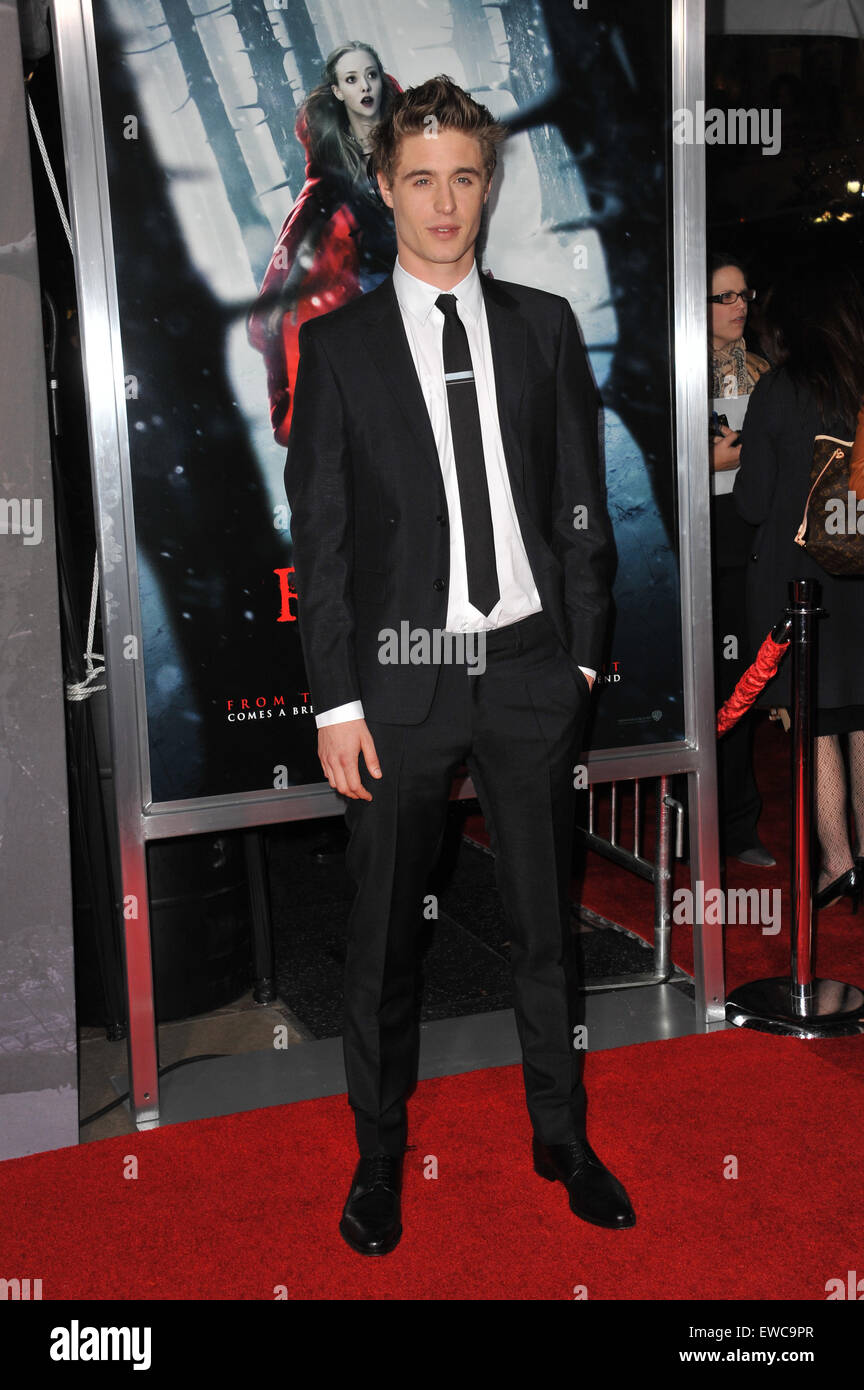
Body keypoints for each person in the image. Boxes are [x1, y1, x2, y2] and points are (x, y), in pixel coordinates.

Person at [284, 76, 635, 1255]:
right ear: (384, 190)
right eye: (420, 179)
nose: (444, 202)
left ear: (490, 185)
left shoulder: (540, 327)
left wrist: (583, 658)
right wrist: (335, 699)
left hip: (534, 668)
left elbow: (582, 506)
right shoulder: (336, 350)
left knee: (546, 926)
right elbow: (321, 541)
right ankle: (378, 1158)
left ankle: (562, 1135)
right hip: (397, 678)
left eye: (465, 177)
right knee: (386, 935)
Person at [734, 261, 864, 910]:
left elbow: (753, 502)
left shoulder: (780, 389)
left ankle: (837, 864)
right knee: (863, 719)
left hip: (802, 589)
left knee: (814, 724)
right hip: (860, 580)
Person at [247, 42, 399, 444]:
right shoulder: (332, 162)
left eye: (370, 74)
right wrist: (283, 294)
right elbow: (305, 230)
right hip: (370, 280)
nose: (365, 86)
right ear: (337, 91)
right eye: (351, 79)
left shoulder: (408, 136)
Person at [709, 253, 774, 866]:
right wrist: (706, 465)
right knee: (695, 692)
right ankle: (692, 829)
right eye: (723, 297)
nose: (738, 307)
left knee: (741, 690)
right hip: (691, 551)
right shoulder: (677, 373)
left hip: (750, 548)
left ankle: (739, 825)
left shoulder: (764, 373)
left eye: (742, 294)